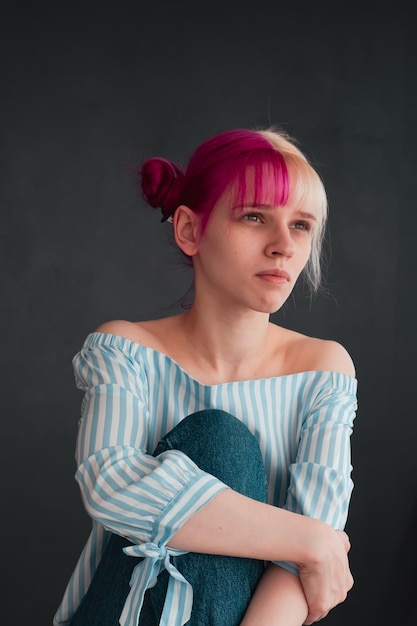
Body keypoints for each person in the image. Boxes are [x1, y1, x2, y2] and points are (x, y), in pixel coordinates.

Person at [54, 127, 357, 626]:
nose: (283, 245)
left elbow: (303, 573)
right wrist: (310, 539)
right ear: (190, 231)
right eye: (255, 217)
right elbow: (109, 479)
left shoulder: (323, 370)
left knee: (225, 447)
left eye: (301, 225)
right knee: (219, 440)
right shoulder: (126, 349)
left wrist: (311, 546)